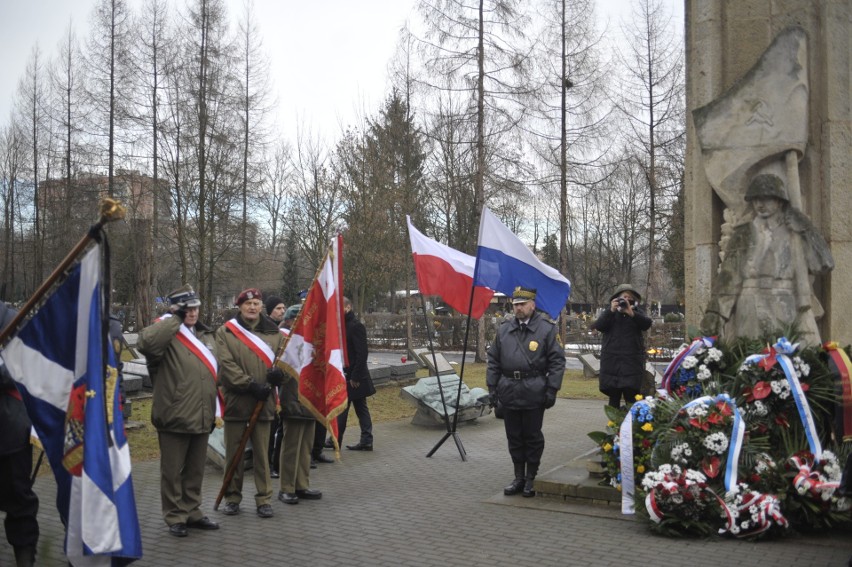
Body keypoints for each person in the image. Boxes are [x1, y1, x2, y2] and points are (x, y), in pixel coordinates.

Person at [701, 173, 834, 346]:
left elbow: (824, 264)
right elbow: (728, 279)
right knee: (751, 361)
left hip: (787, 303)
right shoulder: (744, 233)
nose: (760, 204)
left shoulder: (796, 231)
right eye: (756, 199)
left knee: (794, 363)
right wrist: (716, 314)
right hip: (750, 306)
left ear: (779, 201)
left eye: (766, 199)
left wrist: (805, 228)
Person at [137, 285, 221, 537]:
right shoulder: (166, 333)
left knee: (195, 469)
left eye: (195, 307)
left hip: (202, 413)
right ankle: (174, 515)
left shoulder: (205, 335)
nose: (192, 312)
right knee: (172, 472)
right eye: (187, 308)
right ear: (175, 309)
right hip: (174, 414)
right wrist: (174, 318)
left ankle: (192, 510)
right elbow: (146, 343)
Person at [486, 286, 565, 498]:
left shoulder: (547, 329)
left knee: (532, 436)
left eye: (522, 304)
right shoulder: (504, 329)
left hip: (533, 390)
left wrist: (552, 389)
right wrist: (492, 387)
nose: (518, 308)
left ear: (533, 305)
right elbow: (493, 359)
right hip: (509, 390)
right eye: (515, 305)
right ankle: (518, 477)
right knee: (514, 436)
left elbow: (557, 362)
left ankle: (531, 477)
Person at [215, 288, 285, 519]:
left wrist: (278, 376)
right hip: (237, 401)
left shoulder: (274, 333)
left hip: (264, 403)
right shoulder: (226, 332)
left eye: (256, 303)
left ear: (261, 306)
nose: (253, 307)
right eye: (248, 304)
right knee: (234, 454)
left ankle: (264, 498)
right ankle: (232, 497)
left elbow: (284, 362)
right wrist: (250, 385)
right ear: (240, 306)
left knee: (262, 455)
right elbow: (226, 366)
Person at [0, 302, 39, 566]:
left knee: (19, 504)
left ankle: (25, 558)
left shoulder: (10, 317)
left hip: (9, 432)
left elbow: (25, 365)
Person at [275, 302, 324, 505]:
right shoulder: (285, 340)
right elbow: (281, 372)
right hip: (293, 398)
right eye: (298, 320)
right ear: (290, 320)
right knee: (291, 447)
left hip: (310, 400)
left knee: (305, 446)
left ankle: (302, 484)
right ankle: (287, 487)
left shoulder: (311, 341)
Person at [591, 283, 653, 408]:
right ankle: (613, 426)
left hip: (631, 364)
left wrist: (631, 313)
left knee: (632, 401)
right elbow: (599, 326)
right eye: (623, 297)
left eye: (629, 298)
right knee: (613, 400)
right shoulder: (610, 313)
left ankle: (631, 427)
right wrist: (611, 310)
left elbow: (646, 324)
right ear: (616, 299)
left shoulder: (637, 313)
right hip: (612, 365)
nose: (626, 300)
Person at [337, 296, 376, 451]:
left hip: (353, 377)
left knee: (342, 408)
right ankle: (366, 439)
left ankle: (336, 438)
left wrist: (355, 376)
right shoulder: (342, 325)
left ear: (348, 307)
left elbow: (362, 353)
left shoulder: (355, 326)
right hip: (347, 374)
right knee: (360, 407)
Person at [264, 295, 286, 479]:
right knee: (269, 428)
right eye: (278, 308)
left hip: (277, 383)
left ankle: (272, 462)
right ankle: (267, 463)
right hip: (266, 384)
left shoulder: (279, 331)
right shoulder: (267, 329)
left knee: (275, 425)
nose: (282, 311)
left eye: (283, 308)